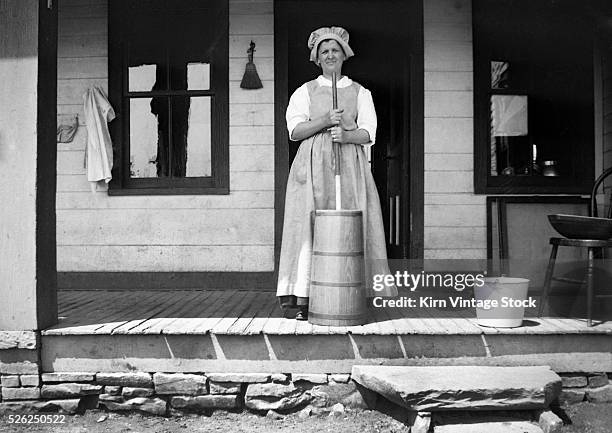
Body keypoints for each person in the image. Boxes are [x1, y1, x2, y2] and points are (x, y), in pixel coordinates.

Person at [277, 26, 397, 320]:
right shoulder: (305, 91)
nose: (330, 55)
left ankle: (351, 294)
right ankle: (305, 299)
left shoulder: (360, 92)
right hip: (313, 168)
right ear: (317, 58)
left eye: (335, 51)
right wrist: (324, 120)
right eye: (324, 52)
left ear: (345, 55)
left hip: (350, 166)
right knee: (312, 226)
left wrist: (347, 134)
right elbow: (295, 131)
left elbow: (370, 132)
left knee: (349, 227)